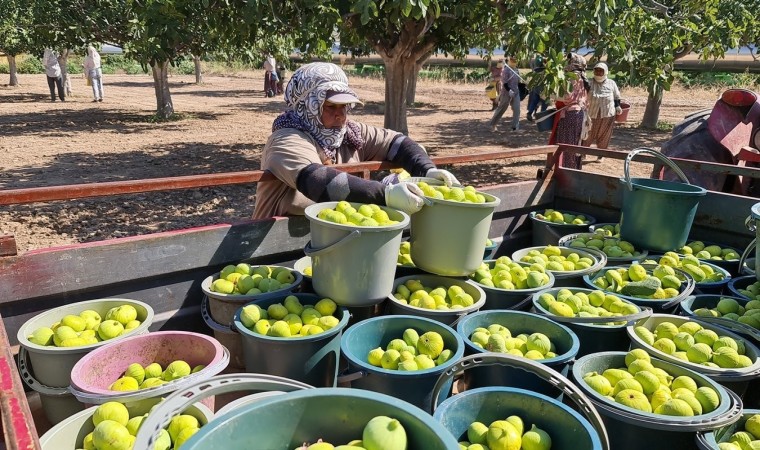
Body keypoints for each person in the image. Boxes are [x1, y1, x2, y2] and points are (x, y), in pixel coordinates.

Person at [252, 62, 459, 219]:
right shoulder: (287, 138)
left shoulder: (350, 133)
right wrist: (385, 193)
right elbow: (316, 180)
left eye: (344, 106)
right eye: (330, 107)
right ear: (307, 106)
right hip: (275, 245)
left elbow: (397, 142)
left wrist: (426, 169)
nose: (341, 115)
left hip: (332, 236)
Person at [550, 53, 591, 169]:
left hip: (570, 115)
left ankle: (567, 171)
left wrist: (552, 95)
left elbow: (567, 97)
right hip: (581, 114)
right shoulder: (582, 76)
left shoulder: (571, 77)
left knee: (566, 145)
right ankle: (575, 170)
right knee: (576, 144)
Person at [582, 62, 622, 159]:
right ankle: (582, 153)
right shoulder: (589, 82)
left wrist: (617, 106)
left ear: (605, 72)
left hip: (607, 114)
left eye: (601, 70)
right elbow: (583, 95)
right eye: (597, 70)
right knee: (588, 133)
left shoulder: (611, 83)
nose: (598, 72)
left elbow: (616, 96)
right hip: (591, 113)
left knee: (604, 135)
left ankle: (601, 155)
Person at [489, 56, 521, 132]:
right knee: (502, 108)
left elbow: (518, 81)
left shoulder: (516, 70)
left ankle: (515, 127)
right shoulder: (506, 70)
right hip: (506, 92)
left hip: (516, 92)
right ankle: (493, 125)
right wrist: (509, 91)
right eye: (512, 60)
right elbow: (505, 83)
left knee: (517, 109)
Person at [526, 54, 548, 121]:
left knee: (534, 101)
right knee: (544, 103)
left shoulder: (536, 70)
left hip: (536, 88)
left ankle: (529, 113)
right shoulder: (546, 70)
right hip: (543, 89)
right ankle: (541, 116)